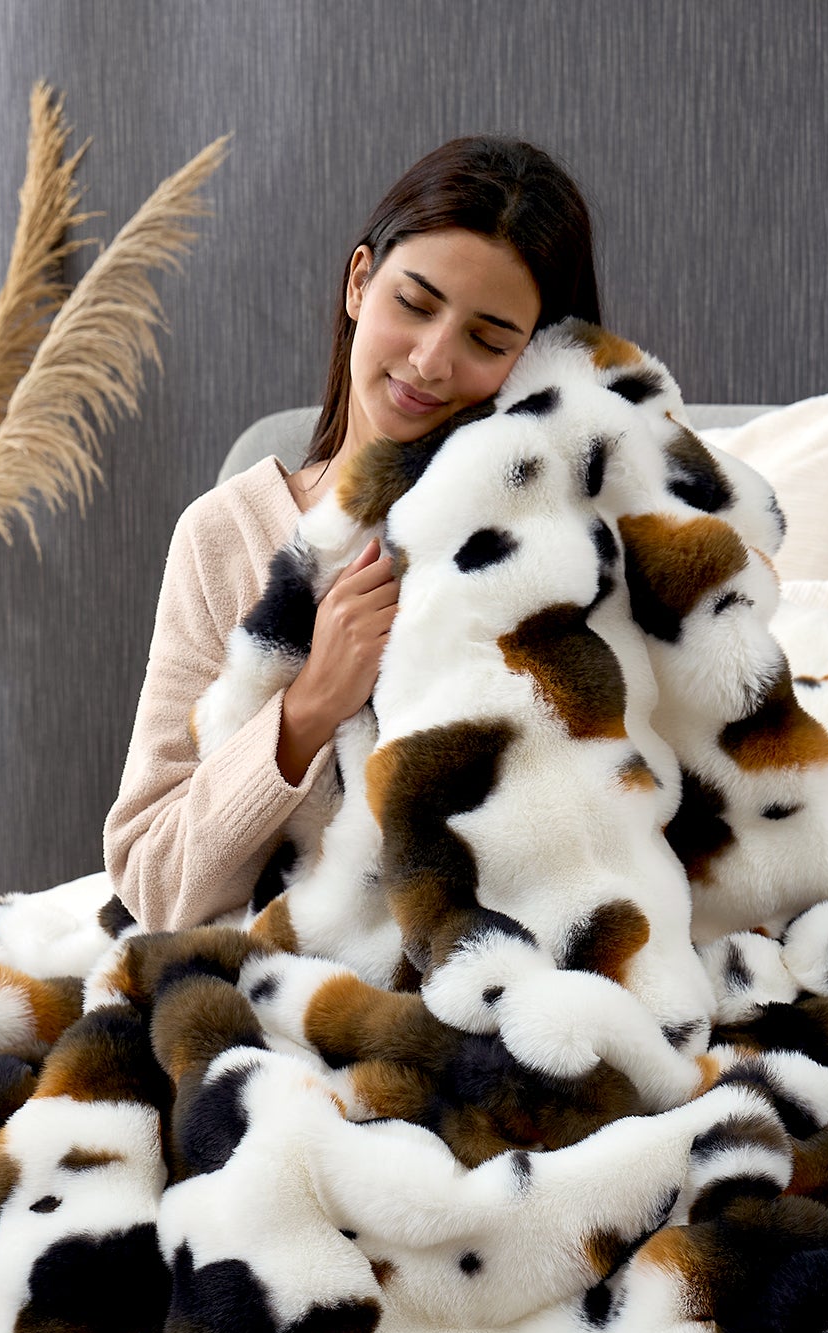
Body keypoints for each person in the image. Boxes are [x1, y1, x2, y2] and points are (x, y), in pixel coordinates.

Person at [104, 135, 602, 931]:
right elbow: (151, 880)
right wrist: (307, 707)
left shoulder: (565, 549)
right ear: (360, 282)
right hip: (285, 991)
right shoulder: (224, 537)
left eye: (487, 339)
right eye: (414, 304)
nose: (433, 360)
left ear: (536, 359)